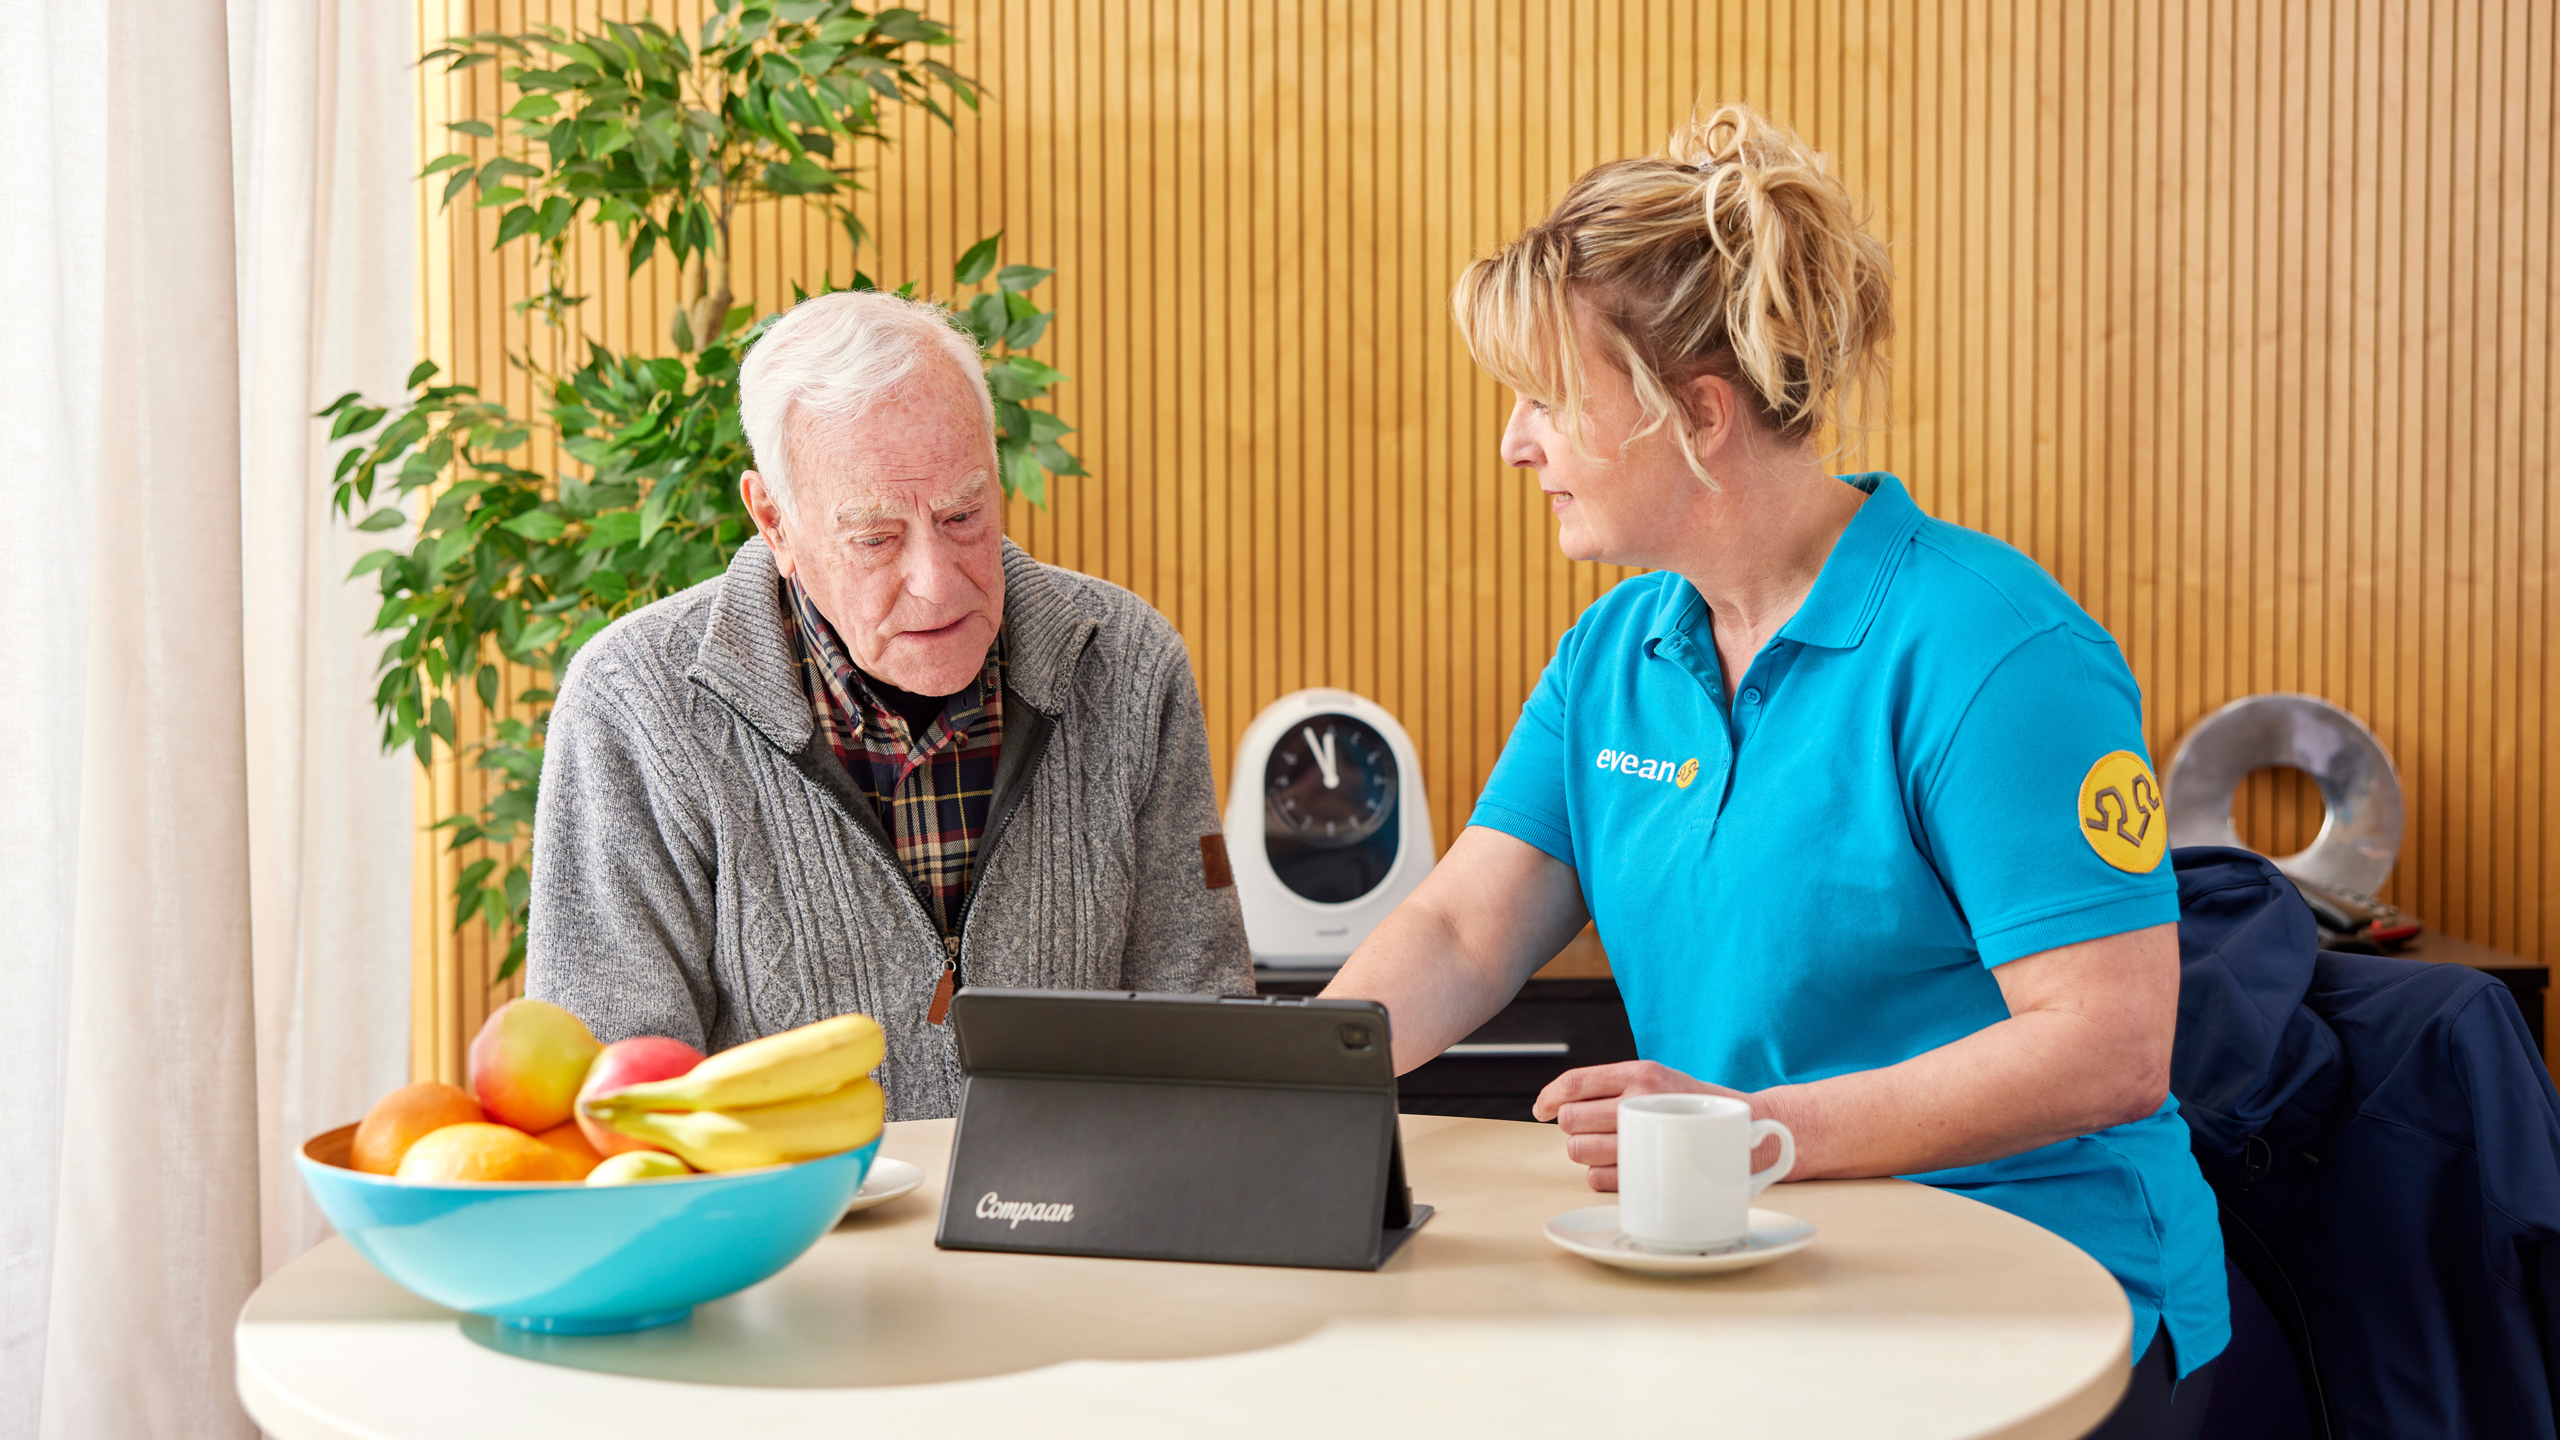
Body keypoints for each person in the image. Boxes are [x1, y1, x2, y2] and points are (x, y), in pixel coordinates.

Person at [1323, 103, 2227, 1436]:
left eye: (1548, 400)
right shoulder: (1616, 651)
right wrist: (1288, 1086)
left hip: (2043, 1295)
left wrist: (1758, 1131)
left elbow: (2109, 1048)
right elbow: (1462, 926)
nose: (1516, 444)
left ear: (1697, 414)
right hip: (1750, 1258)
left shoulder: (1996, 653)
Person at [529, 289, 1252, 1119]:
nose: (939, 582)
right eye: (875, 538)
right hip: (785, 1241)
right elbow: (613, 1105)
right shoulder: (632, 705)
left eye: (963, 514)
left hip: (1078, 1236)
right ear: (775, 521)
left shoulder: (1127, 663)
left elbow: (1203, 1020)